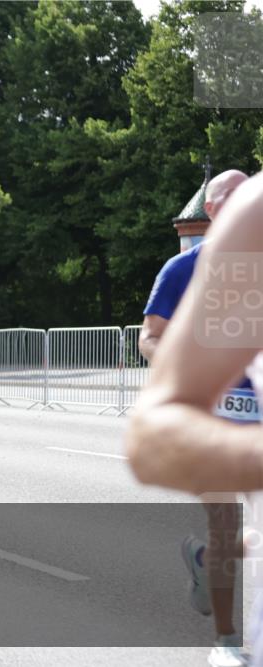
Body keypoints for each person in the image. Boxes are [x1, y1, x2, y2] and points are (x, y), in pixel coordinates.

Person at [127, 173, 263, 667]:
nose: (241, 201)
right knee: (226, 522)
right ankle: (226, 640)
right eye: (232, 197)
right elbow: (149, 337)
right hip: (213, 417)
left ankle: (209, 557)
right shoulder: (185, 269)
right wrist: (187, 373)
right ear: (210, 210)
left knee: (243, 536)